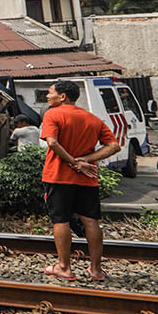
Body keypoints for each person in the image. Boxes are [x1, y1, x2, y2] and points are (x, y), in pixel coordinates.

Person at [40, 79, 120, 281]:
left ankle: (64, 268)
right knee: (91, 221)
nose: (48, 96)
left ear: (62, 96)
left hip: (58, 176)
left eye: (50, 93)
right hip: (87, 178)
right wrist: (87, 160)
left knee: (61, 220)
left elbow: (52, 142)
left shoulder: (52, 114)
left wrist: (73, 162)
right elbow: (113, 146)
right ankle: (96, 270)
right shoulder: (92, 118)